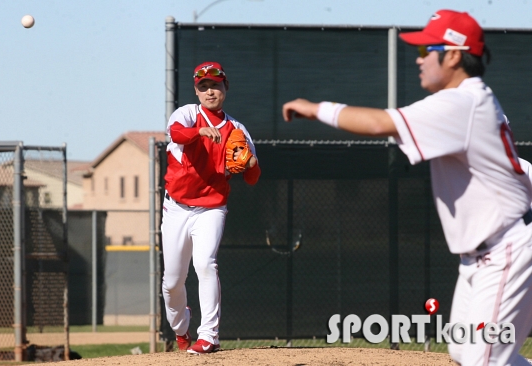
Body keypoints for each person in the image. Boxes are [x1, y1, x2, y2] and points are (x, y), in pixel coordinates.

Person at [282, 10, 532, 366]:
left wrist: (316, 108)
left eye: (424, 50)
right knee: (465, 352)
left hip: (506, 249)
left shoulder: (461, 102)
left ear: (455, 54)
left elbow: (378, 122)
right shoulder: (467, 100)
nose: (418, 60)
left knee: (483, 360)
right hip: (482, 254)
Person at [162, 61, 261, 354]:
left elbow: (253, 178)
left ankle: (209, 336)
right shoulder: (188, 114)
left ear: (225, 88)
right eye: (203, 86)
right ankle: (182, 331)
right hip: (177, 208)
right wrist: (201, 132)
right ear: (196, 90)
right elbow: (177, 134)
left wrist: (251, 164)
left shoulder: (237, 130)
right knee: (171, 283)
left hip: (212, 208)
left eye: (215, 85)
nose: (209, 91)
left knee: (206, 264)